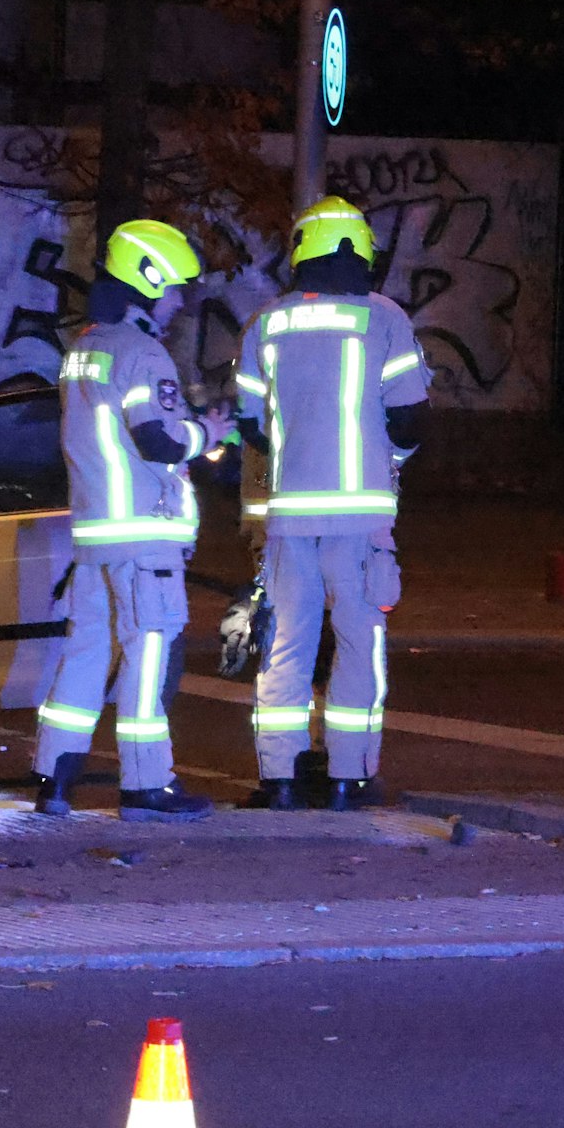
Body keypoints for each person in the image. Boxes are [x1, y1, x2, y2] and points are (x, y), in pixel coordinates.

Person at [232, 196, 429, 810]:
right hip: (362, 523)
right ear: (361, 250)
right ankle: (349, 777)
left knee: (286, 647)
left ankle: (280, 779)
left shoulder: (266, 323)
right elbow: (411, 417)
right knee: (358, 647)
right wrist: (387, 459)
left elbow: (249, 425)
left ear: (303, 250)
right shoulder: (386, 318)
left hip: (290, 523)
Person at [34, 220, 233, 822]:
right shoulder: (143, 352)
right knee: (147, 659)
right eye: (173, 289)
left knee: (85, 656)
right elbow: (158, 441)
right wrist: (211, 433)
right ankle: (148, 787)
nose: (177, 303)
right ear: (147, 280)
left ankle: (53, 780)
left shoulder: (83, 349)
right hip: (144, 537)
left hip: (95, 537)